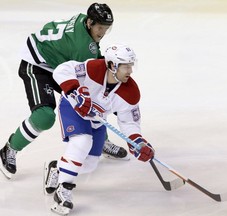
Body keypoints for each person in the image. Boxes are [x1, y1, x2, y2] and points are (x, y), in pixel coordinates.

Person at [0, 3, 129, 179]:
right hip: (37, 65)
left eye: (106, 28)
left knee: (91, 99)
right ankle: (10, 148)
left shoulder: (84, 24)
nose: (103, 33)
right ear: (90, 23)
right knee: (44, 117)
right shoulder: (82, 46)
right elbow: (92, 74)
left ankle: (101, 141)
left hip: (60, 64)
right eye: (100, 28)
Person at [44, 44, 155, 215]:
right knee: (82, 141)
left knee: (89, 163)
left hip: (97, 119)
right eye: (126, 66)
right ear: (112, 65)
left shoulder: (131, 92)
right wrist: (75, 92)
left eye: (131, 65)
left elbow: (128, 122)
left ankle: (57, 168)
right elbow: (61, 70)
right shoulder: (92, 68)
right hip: (73, 107)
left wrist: (136, 141)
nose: (130, 71)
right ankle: (64, 190)